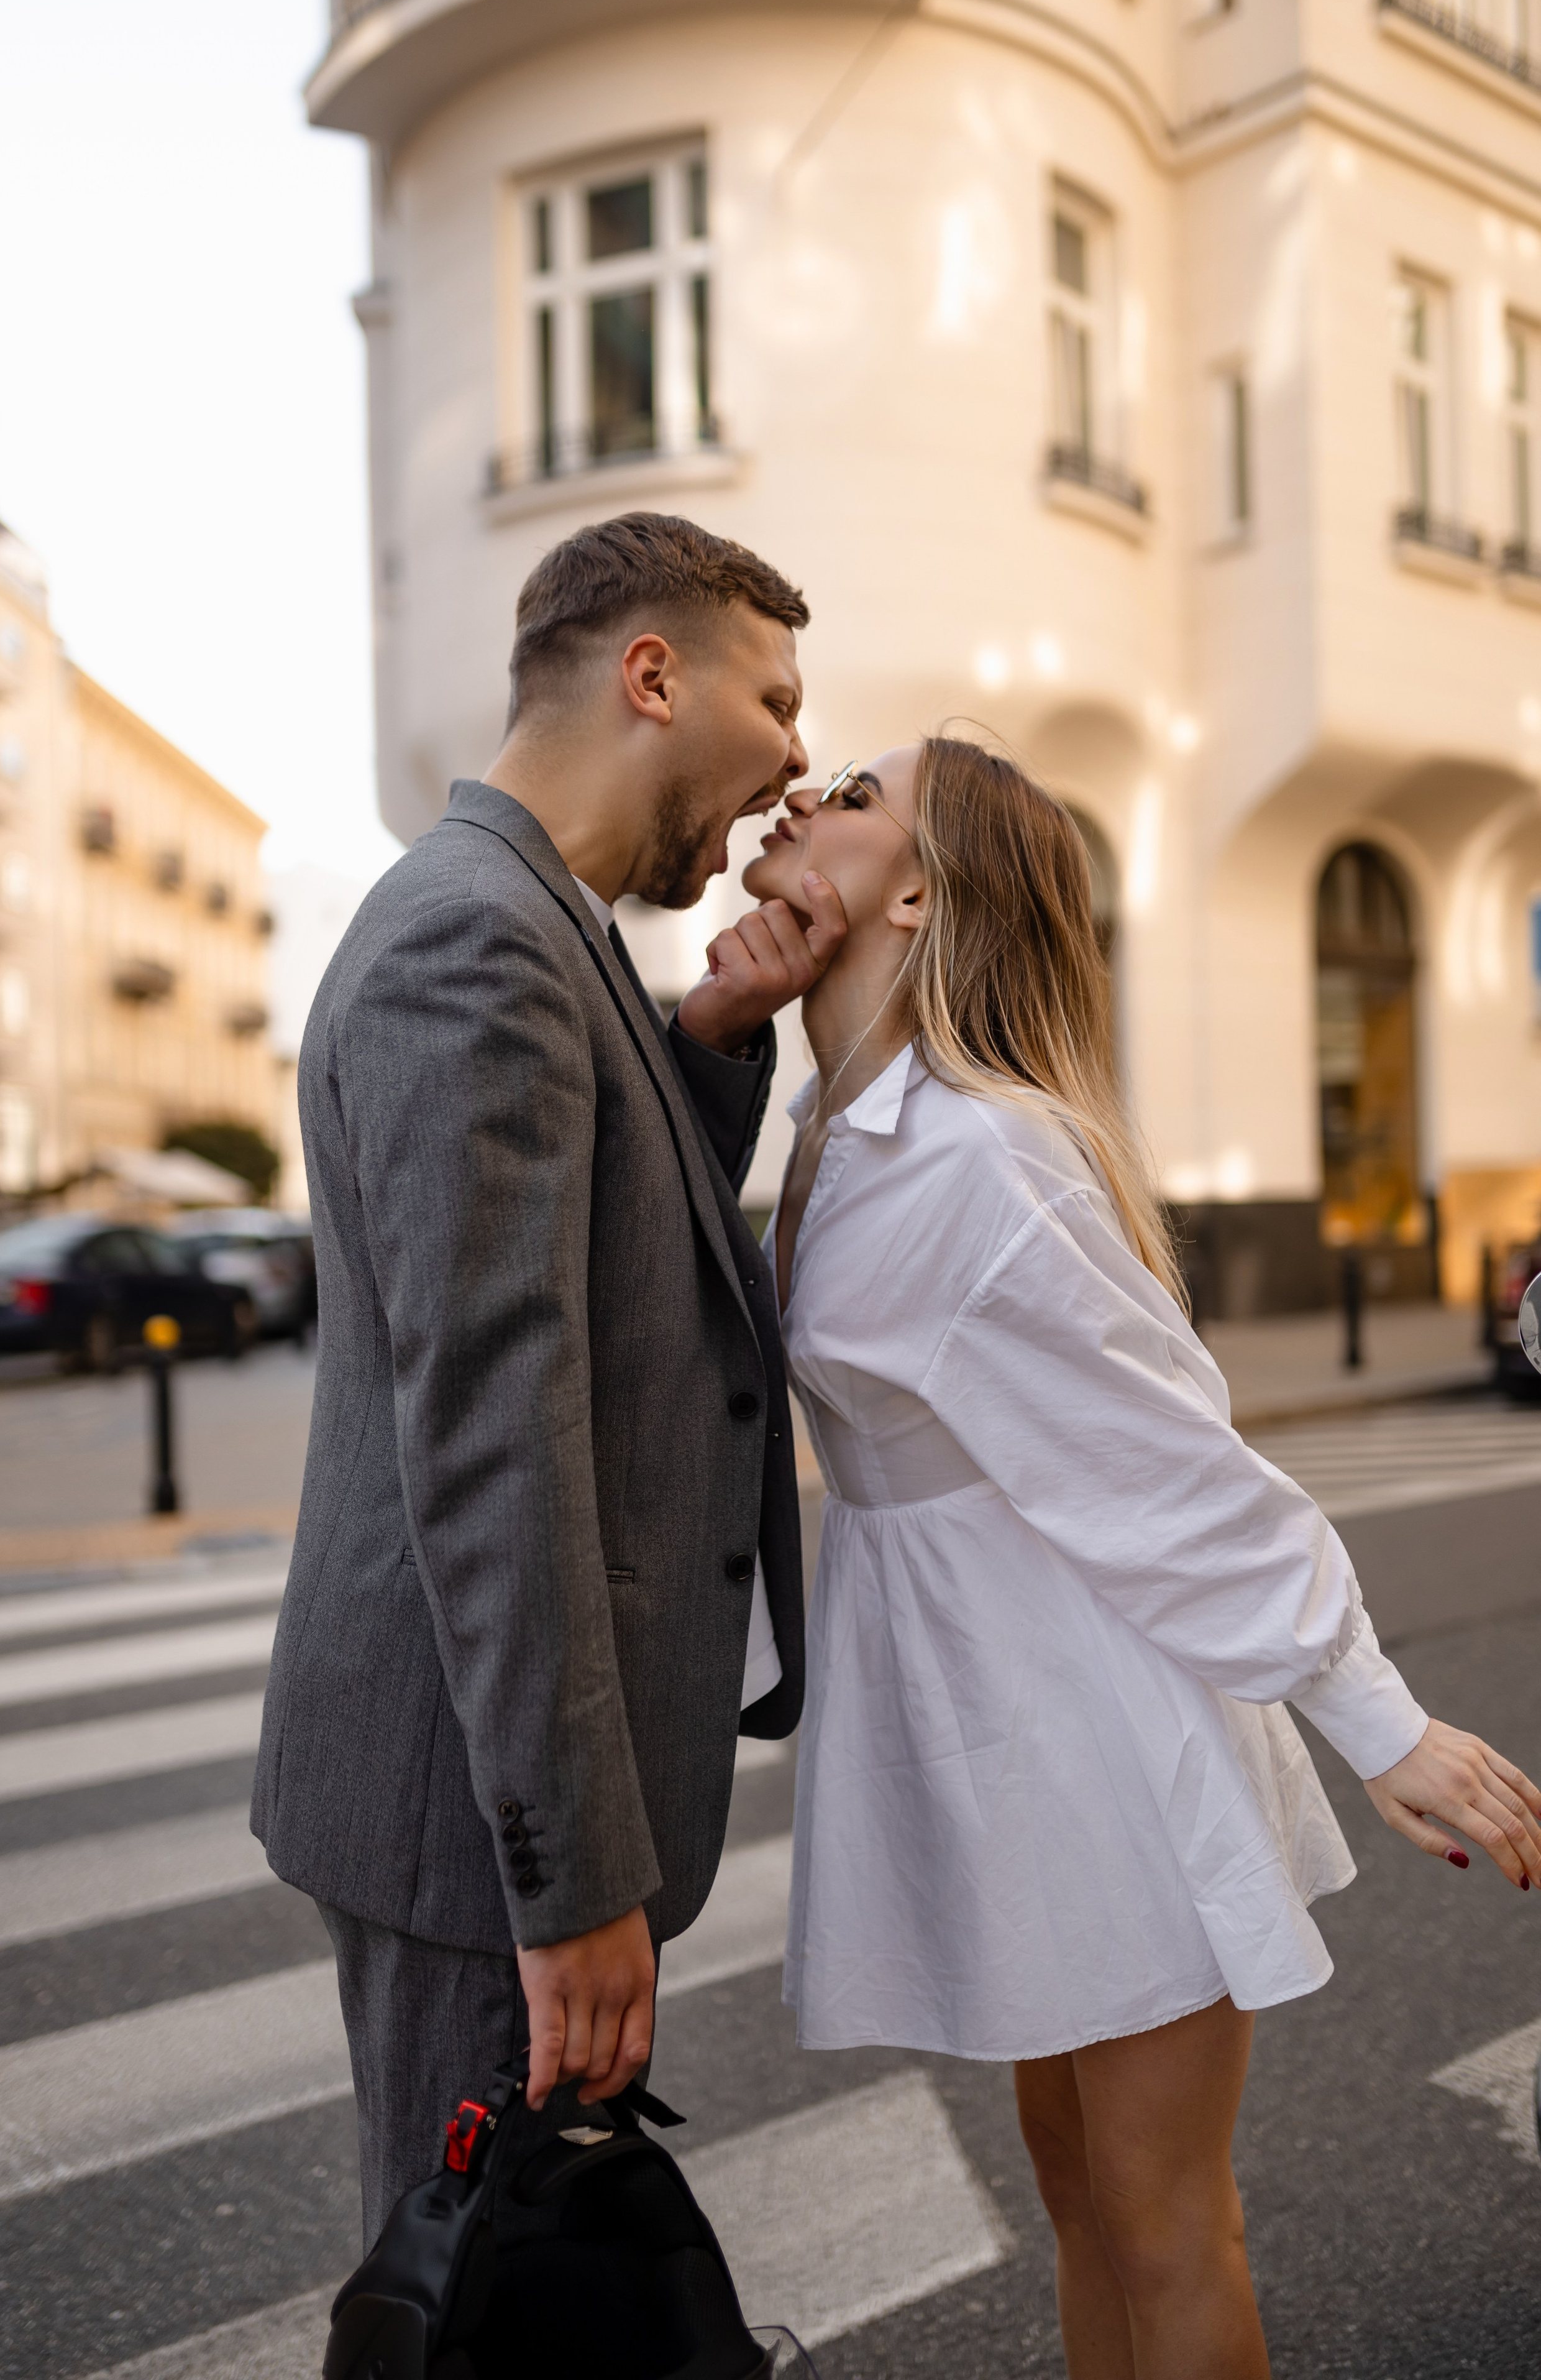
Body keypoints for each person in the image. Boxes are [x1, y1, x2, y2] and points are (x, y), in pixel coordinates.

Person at [736, 734, 1541, 2380]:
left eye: (860, 796)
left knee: (1165, 2220)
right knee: (1078, 2191)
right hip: (987, 1713)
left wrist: (1380, 1719)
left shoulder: (976, 1153)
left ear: (918, 893)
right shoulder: (835, 1130)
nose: (804, 797)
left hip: (1099, 1725)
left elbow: (1170, 1466)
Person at [252, 512, 847, 2248]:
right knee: (472, 2302)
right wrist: (571, 1877)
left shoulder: (539, 922)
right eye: (778, 696)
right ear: (651, 675)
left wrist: (718, 1041)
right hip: (471, 1822)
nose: (797, 758)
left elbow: (601, 1233)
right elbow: (495, 1437)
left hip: (472, 1798)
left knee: (521, 2291)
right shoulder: (480, 943)